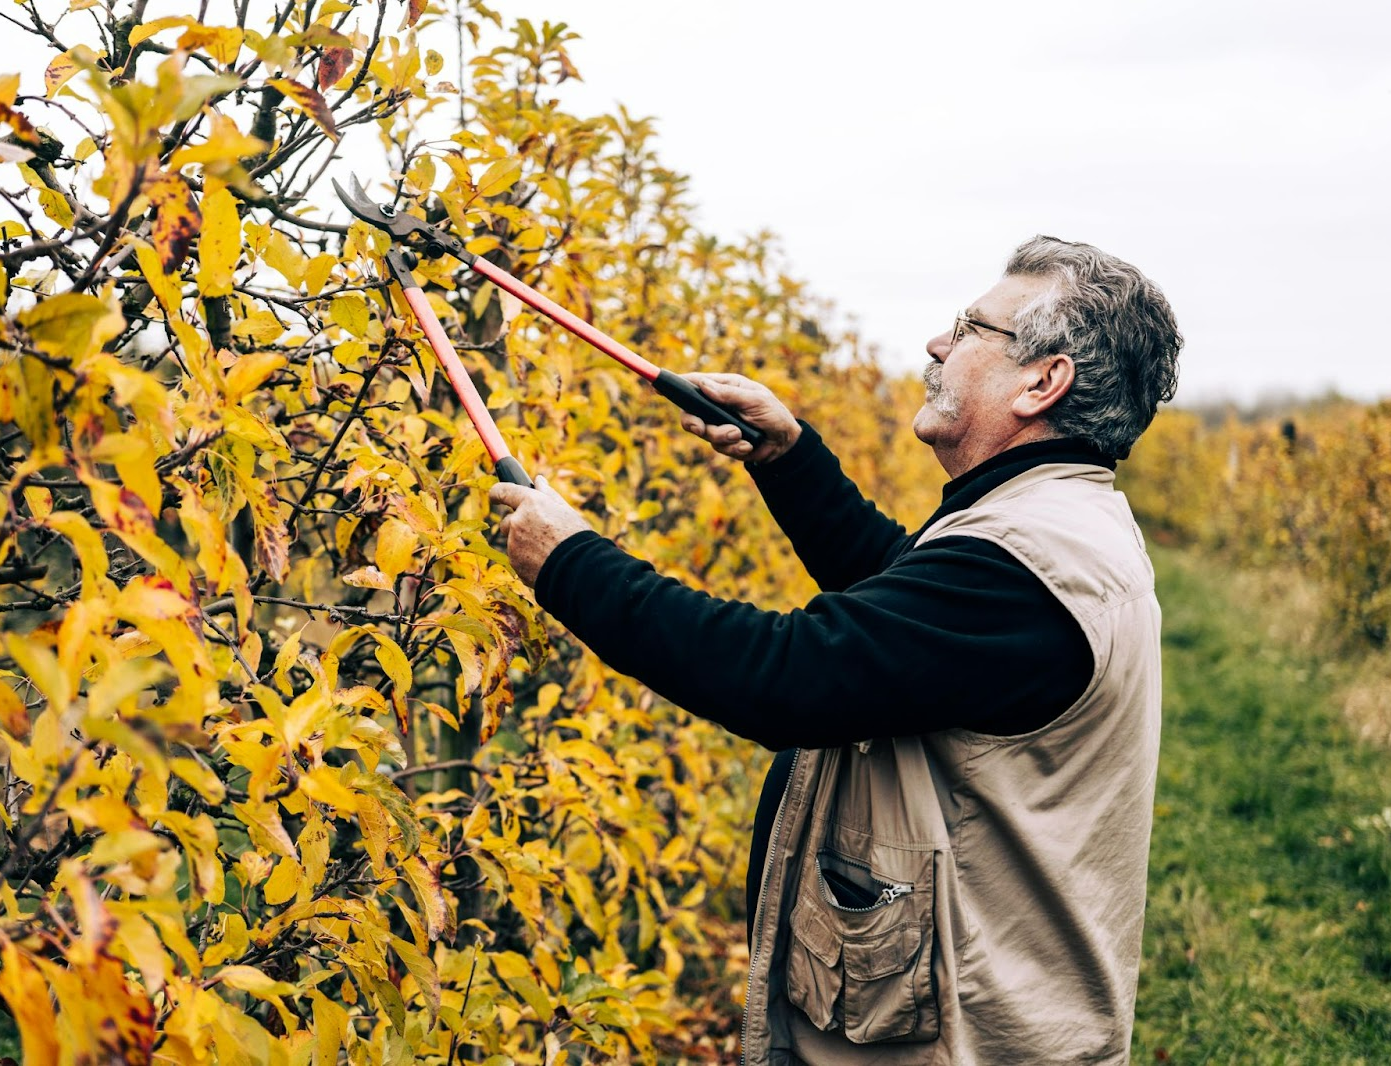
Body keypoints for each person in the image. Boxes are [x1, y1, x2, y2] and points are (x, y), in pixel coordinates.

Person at [489, 235, 1182, 1064]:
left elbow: (787, 676)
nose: (938, 344)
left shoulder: (1026, 566)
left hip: (971, 1038)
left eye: (970, 328)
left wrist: (571, 563)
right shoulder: (1044, 522)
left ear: (1043, 380)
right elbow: (911, 618)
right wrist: (790, 460)